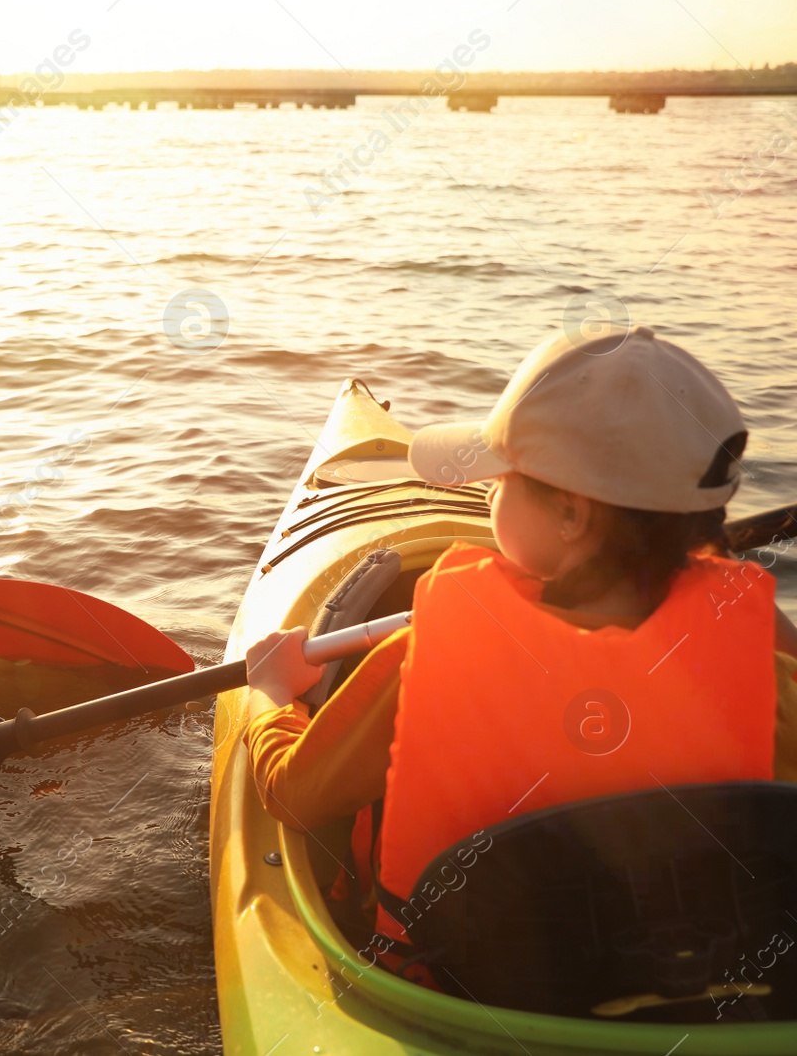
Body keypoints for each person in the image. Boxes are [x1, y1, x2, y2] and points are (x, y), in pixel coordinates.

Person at [240, 324, 797, 982]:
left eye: (499, 482)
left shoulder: (422, 658)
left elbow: (294, 796)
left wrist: (269, 694)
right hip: (699, 997)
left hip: (459, 1005)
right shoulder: (774, 677)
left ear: (570, 514)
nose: (488, 495)